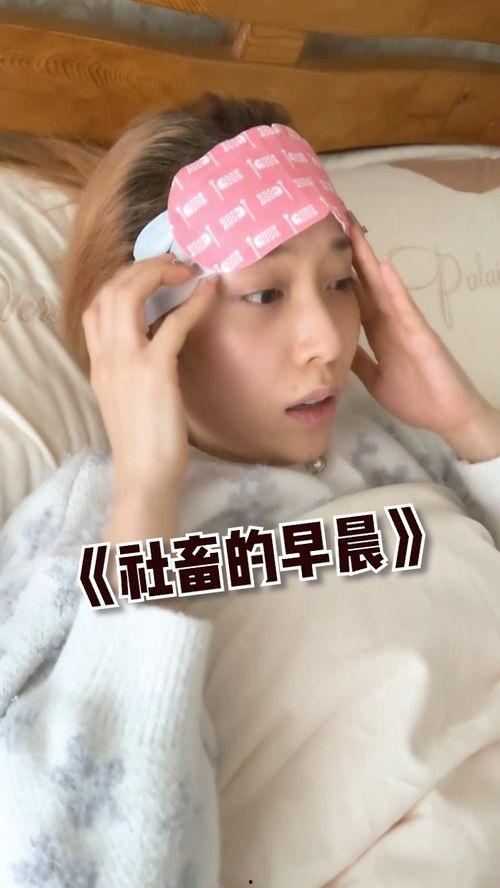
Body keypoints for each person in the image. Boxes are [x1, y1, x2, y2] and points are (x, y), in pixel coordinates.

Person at [0, 92, 499, 888]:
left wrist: (470, 424)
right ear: (147, 325)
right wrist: (148, 493)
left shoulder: (395, 440)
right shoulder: (88, 526)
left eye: (339, 281)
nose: (327, 341)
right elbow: (72, 864)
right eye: (266, 294)